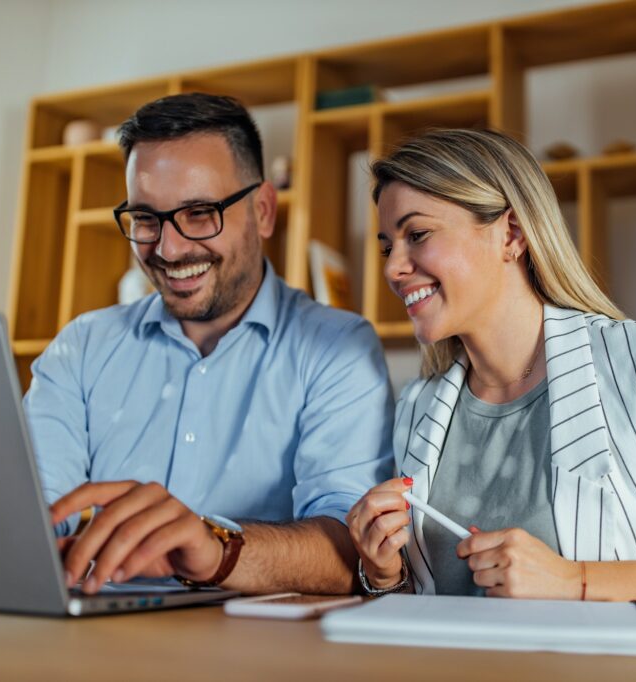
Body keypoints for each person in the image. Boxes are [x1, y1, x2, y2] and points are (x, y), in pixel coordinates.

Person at [346, 128, 636, 616]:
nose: (392, 268)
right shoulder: (417, 408)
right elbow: (426, 610)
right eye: (387, 247)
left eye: (417, 235)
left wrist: (572, 582)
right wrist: (385, 575)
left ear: (511, 234)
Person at [25, 93, 394, 595]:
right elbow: (36, 516)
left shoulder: (338, 350)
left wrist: (215, 547)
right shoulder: (81, 348)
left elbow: (349, 554)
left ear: (263, 211)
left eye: (200, 213)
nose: (169, 249)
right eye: (145, 219)